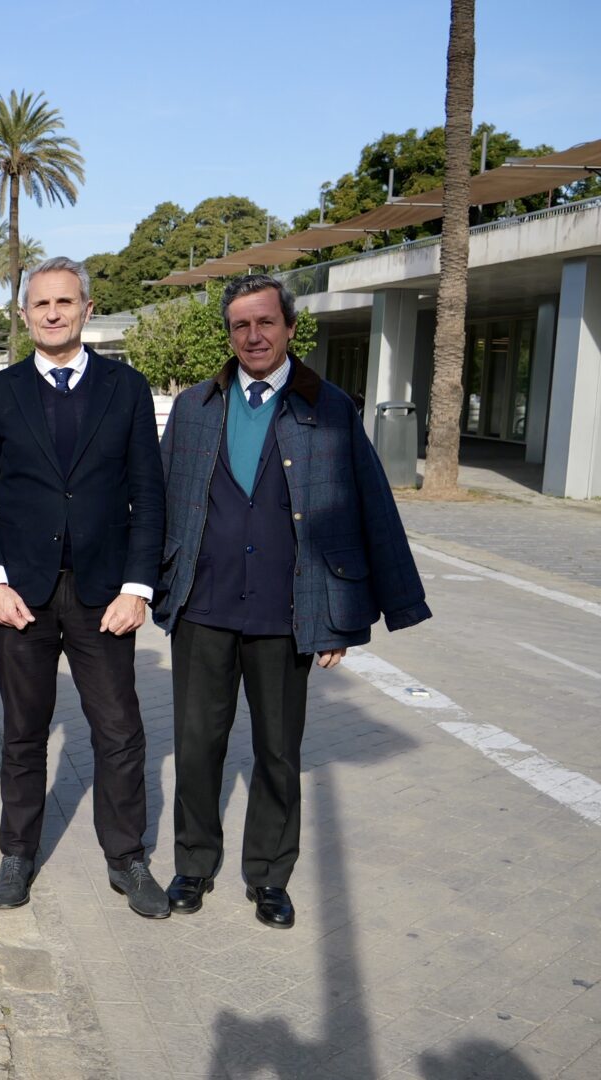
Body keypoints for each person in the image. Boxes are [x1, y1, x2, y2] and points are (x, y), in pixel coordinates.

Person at [154, 275, 432, 929]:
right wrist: (141, 588)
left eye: (265, 323)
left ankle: (270, 876)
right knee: (196, 747)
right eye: (240, 325)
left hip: (287, 614)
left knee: (278, 752)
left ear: (289, 328)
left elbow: (368, 510)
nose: (253, 335)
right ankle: (193, 865)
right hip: (202, 608)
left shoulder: (328, 407)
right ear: (229, 333)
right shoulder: (195, 406)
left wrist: (345, 616)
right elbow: (160, 502)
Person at [0, 257, 168, 918]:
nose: (52, 313)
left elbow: (149, 496)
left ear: (86, 308)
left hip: (103, 593)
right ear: (25, 314)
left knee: (120, 731)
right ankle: (18, 853)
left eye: (64, 302)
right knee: (23, 732)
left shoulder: (127, 388)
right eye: (41, 304)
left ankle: (127, 857)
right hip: (20, 595)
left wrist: (138, 588)